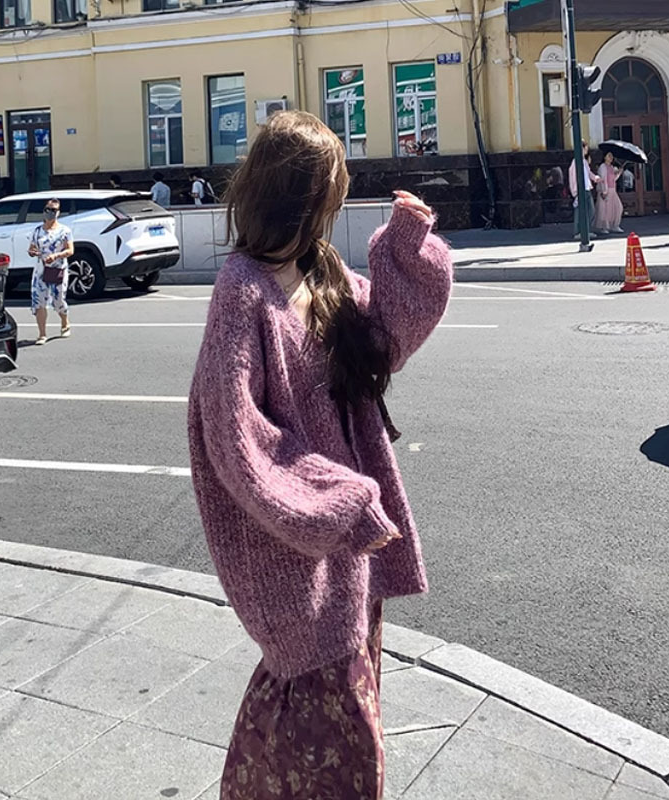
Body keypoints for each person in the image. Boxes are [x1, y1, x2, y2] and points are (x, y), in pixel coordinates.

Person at [187, 110, 453, 800]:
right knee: (340, 740)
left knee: (340, 718)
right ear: (300, 197)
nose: (335, 207)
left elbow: (386, 339)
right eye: (331, 193)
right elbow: (236, 435)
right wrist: (339, 501)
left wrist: (405, 247)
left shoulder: (322, 270)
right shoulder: (242, 291)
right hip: (296, 552)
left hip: (350, 548)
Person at [27, 197, 74, 345]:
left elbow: (70, 250)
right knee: (39, 301)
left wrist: (56, 256)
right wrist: (33, 252)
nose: (50, 213)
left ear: (58, 212)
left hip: (58, 269)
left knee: (58, 299)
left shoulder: (64, 231)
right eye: (48, 209)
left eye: (54, 210)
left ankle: (65, 322)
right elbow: (32, 248)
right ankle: (42, 334)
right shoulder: (37, 231)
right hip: (41, 270)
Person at [568, 140, 601, 239]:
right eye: (585, 148)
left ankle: (586, 230)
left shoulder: (584, 161)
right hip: (580, 190)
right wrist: (575, 191)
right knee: (580, 211)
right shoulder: (575, 162)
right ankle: (578, 232)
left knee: (591, 210)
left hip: (587, 188)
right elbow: (572, 177)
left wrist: (595, 178)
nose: (587, 150)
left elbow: (589, 173)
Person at [594, 151, 625, 234]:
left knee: (618, 207)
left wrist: (618, 173)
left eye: (611, 156)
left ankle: (615, 225)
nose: (611, 157)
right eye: (609, 156)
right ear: (604, 157)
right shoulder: (602, 167)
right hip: (605, 190)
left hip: (612, 190)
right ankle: (604, 227)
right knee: (605, 210)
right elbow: (603, 180)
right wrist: (604, 191)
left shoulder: (611, 167)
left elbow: (613, 179)